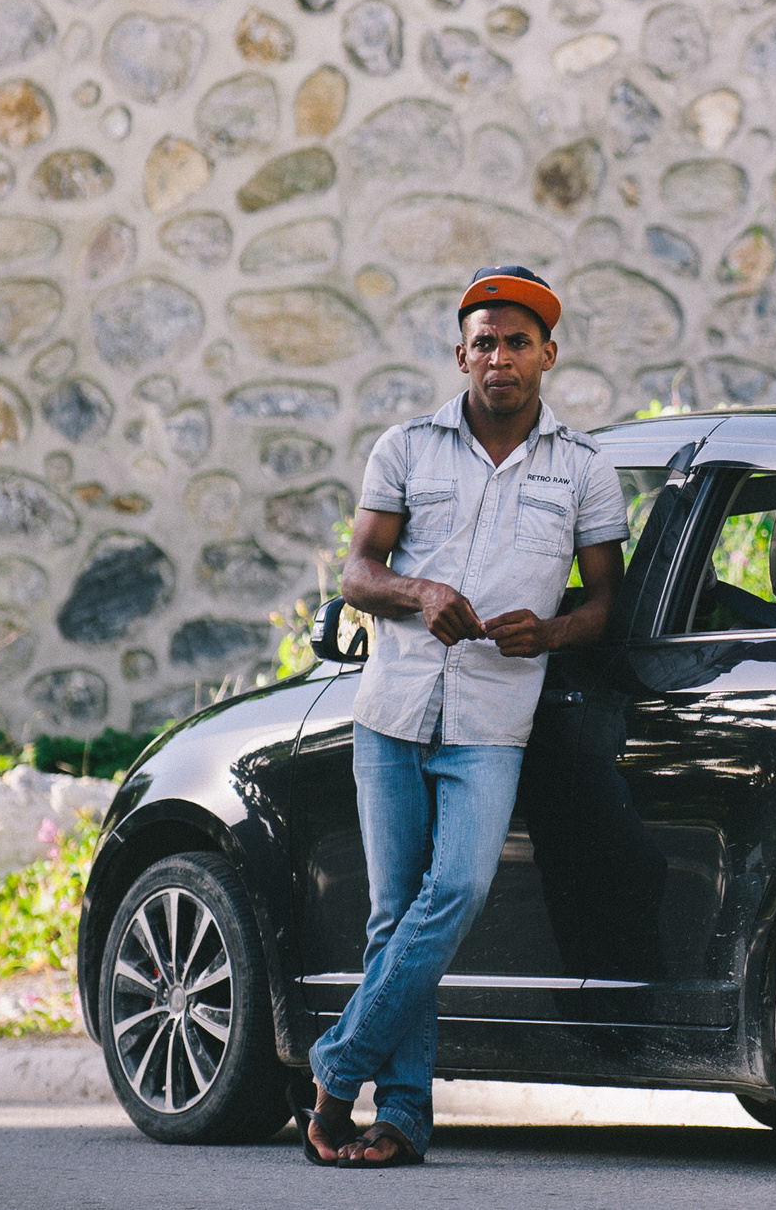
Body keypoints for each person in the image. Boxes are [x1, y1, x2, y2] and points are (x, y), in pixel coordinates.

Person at [294, 264, 628, 1168]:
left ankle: (336, 1071)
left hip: (492, 720)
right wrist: (415, 589)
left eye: (519, 340)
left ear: (548, 355)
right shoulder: (405, 447)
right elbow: (359, 570)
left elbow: (606, 604)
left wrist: (550, 630)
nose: (500, 357)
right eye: (484, 341)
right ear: (462, 354)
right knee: (392, 914)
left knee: (459, 891)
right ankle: (401, 1118)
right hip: (393, 712)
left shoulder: (586, 469)